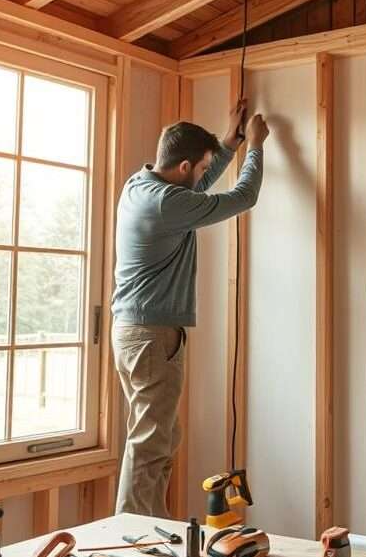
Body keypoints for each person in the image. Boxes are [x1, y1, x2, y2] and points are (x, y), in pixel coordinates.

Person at [110, 101, 270, 517]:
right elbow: (243, 196)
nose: (202, 176)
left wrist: (226, 144)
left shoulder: (140, 186)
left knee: (159, 437)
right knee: (149, 442)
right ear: (182, 167)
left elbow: (194, 188)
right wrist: (254, 147)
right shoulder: (167, 204)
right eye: (200, 169)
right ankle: (132, 531)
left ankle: (152, 525)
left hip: (134, 332)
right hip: (153, 335)